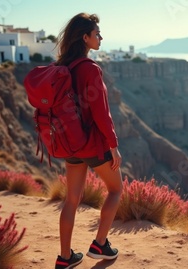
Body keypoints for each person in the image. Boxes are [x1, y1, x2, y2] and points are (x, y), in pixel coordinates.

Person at [53, 13, 123, 269]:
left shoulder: (63, 67)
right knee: (116, 190)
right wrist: (113, 146)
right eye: (97, 34)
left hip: (70, 143)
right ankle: (99, 244)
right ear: (85, 38)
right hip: (92, 144)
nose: (101, 38)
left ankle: (64, 258)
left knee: (71, 200)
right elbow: (101, 113)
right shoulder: (90, 69)